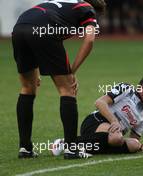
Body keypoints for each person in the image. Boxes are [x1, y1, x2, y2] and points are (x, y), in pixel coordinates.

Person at [12, 0, 106, 159]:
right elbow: (89, 40)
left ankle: (25, 148)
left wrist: (37, 70)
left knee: (28, 88)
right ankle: (71, 149)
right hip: (45, 28)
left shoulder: (63, 4)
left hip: (19, 27)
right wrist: (72, 72)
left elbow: (38, 24)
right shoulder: (87, 8)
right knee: (67, 89)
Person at [50, 74, 143, 155]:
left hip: (113, 136)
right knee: (116, 137)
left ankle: (85, 147)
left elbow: (133, 139)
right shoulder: (127, 89)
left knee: (134, 145)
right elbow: (99, 102)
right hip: (95, 122)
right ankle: (66, 143)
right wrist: (114, 121)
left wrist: (140, 146)